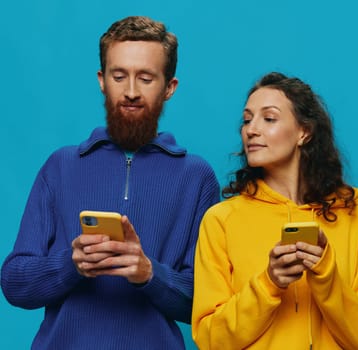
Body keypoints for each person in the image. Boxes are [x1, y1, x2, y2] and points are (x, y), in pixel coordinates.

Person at [1, 16, 219, 349]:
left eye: (146, 78)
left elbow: (206, 303)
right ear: (103, 81)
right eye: (120, 76)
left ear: (169, 87)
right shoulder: (60, 166)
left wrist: (149, 274)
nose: (131, 92)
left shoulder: (196, 177)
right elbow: (15, 283)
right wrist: (70, 263)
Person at [192, 72, 358, 349]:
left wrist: (325, 273)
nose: (251, 129)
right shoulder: (221, 221)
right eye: (247, 120)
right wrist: (269, 283)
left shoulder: (356, 217)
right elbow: (210, 339)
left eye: (269, 118)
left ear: (304, 132)